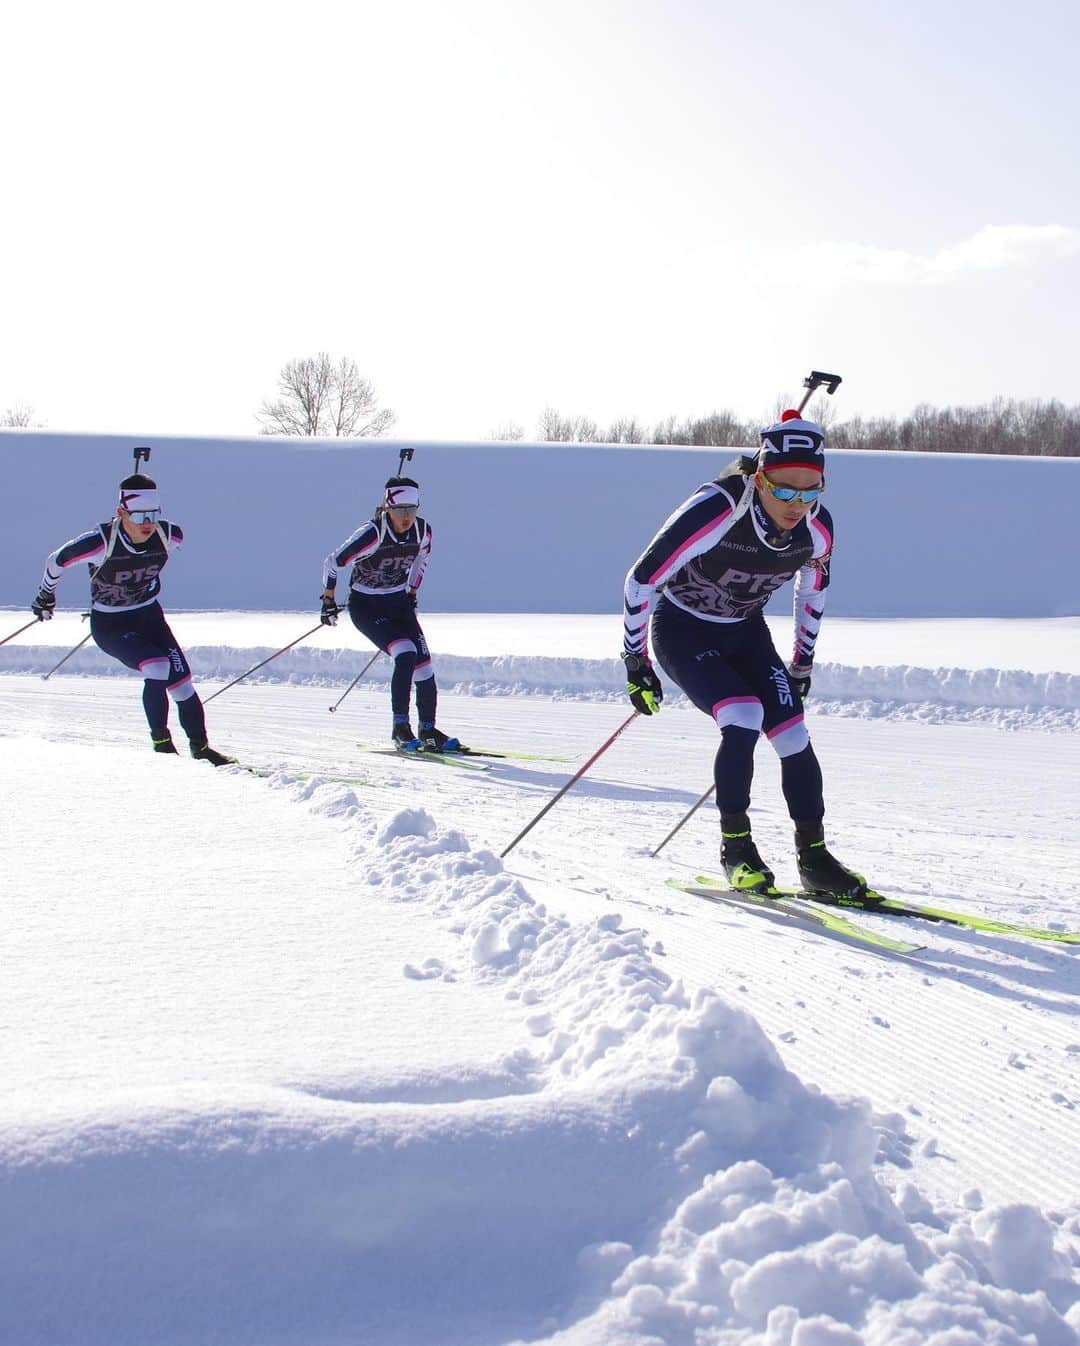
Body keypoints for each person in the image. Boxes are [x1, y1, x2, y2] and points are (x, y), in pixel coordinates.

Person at [622, 409, 866, 898]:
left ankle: (814, 858)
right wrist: (636, 662)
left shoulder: (817, 529)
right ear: (759, 478)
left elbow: (812, 593)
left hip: (746, 632)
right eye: (785, 488)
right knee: (743, 714)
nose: (798, 502)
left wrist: (801, 663)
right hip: (683, 630)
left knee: (793, 731)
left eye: (810, 489)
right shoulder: (717, 508)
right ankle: (737, 850)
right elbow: (641, 580)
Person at [31, 471, 234, 765]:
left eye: (153, 515)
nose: (147, 524)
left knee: (182, 685)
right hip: (112, 625)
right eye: (139, 517)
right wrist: (45, 596)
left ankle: (201, 749)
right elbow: (56, 560)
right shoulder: (100, 542)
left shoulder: (170, 535)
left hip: (150, 618)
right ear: (121, 512)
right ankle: (162, 745)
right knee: (157, 666)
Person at [320, 475, 464, 752]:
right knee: (405, 653)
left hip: (398, 602)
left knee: (425, 666)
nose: (406, 517)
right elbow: (333, 562)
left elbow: (422, 560)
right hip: (367, 607)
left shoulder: (423, 531)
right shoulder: (372, 533)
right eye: (400, 510)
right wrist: (328, 599)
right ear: (387, 508)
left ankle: (428, 730)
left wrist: (411, 591)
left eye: (411, 510)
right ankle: (400, 727)